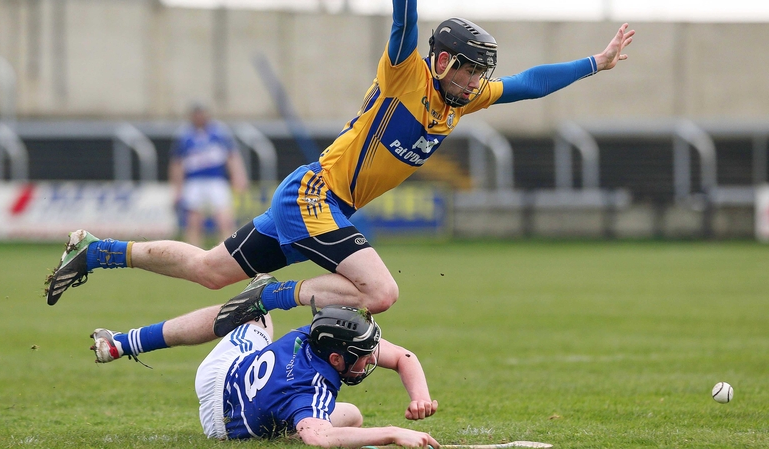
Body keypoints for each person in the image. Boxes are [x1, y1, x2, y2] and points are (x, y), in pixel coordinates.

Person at [45, 0, 635, 353]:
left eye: (482, 75)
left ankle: (99, 256)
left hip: (316, 202)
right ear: (443, 61)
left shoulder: (461, 101)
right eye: (470, 70)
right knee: (380, 294)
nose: (479, 82)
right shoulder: (407, 73)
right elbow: (405, 17)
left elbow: (529, 83)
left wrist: (596, 63)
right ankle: (270, 296)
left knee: (208, 271)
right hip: (314, 196)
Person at [90, 305, 440, 448]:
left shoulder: (313, 333)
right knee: (351, 417)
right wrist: (393, 432)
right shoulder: (312, 390)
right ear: (336, 358)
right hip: (224, 427)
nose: (371, 361)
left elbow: (403, 357)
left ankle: (124, 343)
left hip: (221, 373)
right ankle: (284, 429)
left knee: (253, 308)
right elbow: (320, 438)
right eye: (364, 356)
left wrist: (420, 397)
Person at [170, 102, 248, 247]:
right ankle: (194, 249)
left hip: (216, 180)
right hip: (193, 181)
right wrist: (177, 188)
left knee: (224, 217)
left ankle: (227, 249)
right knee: (193, 219)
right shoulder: (185, 135)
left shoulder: (219, 132)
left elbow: (232, 156)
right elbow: (177, 163)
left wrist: (238, 176)